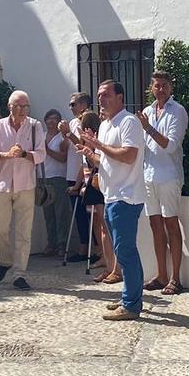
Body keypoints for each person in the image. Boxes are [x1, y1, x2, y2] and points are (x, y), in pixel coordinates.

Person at [79, 80, 146, 321]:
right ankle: (131, 296)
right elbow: (107, 160)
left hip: (126, 196)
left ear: (120, 97)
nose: (101, 99)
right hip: (112, 195)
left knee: (125, 251)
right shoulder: (106, 124)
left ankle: (131, 304)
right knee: (124, 250)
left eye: (106, 95)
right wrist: (91, 154)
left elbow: (129, 156)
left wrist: (99, 145)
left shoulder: (128, 122)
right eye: (99, 95)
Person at [0, 90, 46, 291]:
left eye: (24, 106)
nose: (21, 110)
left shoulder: (35, 126)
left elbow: (42, 155)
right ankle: (6, 260)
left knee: (23, 232)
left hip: (26, 184)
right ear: (9, 107)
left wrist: (25, 154)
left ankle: (19, 273)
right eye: (17, 106)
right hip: (1, 184)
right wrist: (6, 155)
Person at [137, 71, 188, 296]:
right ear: (151, 88)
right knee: (155, 226)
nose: (161, 90)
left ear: (171, 88)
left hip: (168, 176)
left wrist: (148, 128)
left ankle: (175, 278)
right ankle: (161, 275)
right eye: (157, 86)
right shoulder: (147, 111)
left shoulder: (178, 111)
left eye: (165, 86)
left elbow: (170, 146)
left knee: (171, 225)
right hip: (149, 176)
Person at [74, 110, 120, 284]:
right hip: (95, 183)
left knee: (106, 228)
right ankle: (108, 266)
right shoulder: (97, 136)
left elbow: (99, 162)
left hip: (102, 183)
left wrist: (91, 150)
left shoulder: (101, 137)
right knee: (101, 227)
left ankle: (115, 268)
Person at [58, 92, 93, 263]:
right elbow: (64, 147)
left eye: (73, 104)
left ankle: (92, 249)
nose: (71, 107)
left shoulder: (88, 121)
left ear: (83, 105)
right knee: (78, 213)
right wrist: (64, 135)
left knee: (90, 214)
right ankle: (83, 246)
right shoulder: (72, 122)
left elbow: (84, 144)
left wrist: (69, 134)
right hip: (72, 172)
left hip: (86, 172)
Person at [41, 109, 72, 257]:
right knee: (48, 214)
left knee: (60, 212)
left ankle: (62, 244)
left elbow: (63, 158)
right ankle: (51, 243)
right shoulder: (41, 136)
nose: (51, 121)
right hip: (44, 177)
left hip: (58, 177)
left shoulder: (61, 138)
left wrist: (46, 150)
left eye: (55, 119)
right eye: (49, 118)